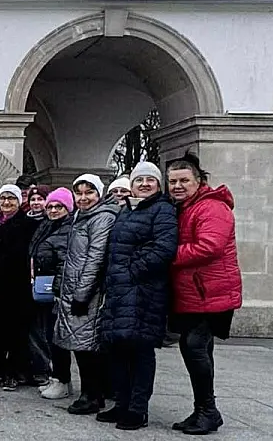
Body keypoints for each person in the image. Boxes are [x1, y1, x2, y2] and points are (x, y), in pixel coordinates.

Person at [98, 161, 178, 431]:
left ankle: (137, 409)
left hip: (144, 291)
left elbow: (164, 248)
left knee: (140, 350)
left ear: (158, 184)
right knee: (118, 349)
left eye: (150, 180)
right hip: (120, 291)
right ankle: (121, 402)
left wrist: (132, 270)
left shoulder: (162, 209)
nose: (144, 184)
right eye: (138, 180)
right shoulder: (126, 211)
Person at [167, 153, 242, 435]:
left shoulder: (211, 207)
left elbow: (209, 246)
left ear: (199, 181)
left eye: (184, 180)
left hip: (209, 292)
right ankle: (203, 409)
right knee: (196, 348)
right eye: (172, 181)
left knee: (195, 348)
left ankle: (208, 410)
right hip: (197, 292)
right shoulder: (187, 207)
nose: (177, 186)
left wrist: (167, 255)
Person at [53, 173, 119, 416]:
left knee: (87, 346)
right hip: (73, 287)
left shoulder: (102, 218)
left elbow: (95, 258)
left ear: (99, 194)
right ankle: (91, 393)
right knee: (80, 345)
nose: (83, 198)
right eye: (79, 193)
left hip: (88, 292)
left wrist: (81, 294)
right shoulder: (81, 217)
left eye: (89, 193)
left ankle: (92, 395)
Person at [0, 183, 39, 390]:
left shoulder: (26, 224)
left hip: (14, 285)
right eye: (3, 198)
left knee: (14, 332)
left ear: (19, 202)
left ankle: (13, 372)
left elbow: (18, 253)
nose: (6, 202)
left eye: (11, 198)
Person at [31, 187, 74, 401]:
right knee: (50, 335)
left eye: (59, 206)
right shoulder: (47, 226)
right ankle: (57, 378)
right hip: (46, 286)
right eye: (51, 206)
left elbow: (65, 262)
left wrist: (57, 286)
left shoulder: (68, 229)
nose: (54, 210)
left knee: (57, 338)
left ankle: (62, 380)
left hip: (58, 290)